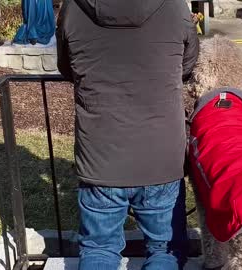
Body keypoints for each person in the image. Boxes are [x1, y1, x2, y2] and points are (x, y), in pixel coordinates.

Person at [56, 0, 199, 269]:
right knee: (164, 251)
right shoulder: (175, 6)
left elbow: (66, 67)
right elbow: (187, 64)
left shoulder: (73, 8)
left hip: (100, 156)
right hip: (161, 156)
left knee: (99, 250)